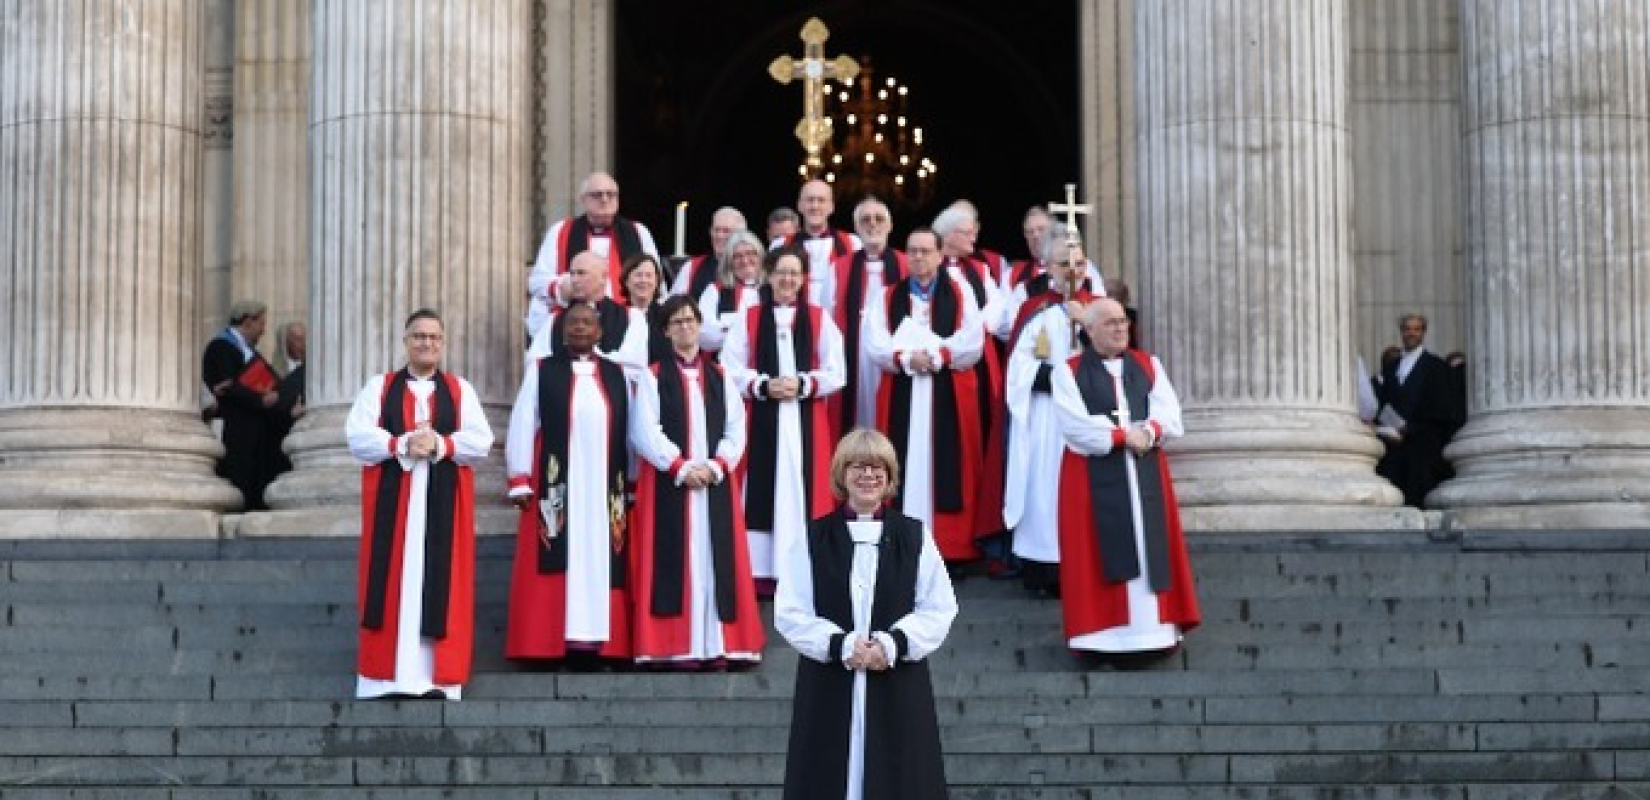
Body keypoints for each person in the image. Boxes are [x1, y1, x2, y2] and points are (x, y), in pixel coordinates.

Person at [776, 428, 956, 800]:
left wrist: (892, 645)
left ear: (889, 477)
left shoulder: (913, 537)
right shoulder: (814, 537)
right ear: (842, 474)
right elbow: (791, 610)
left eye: (878, 468)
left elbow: (938, 606)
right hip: (829, 681)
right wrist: (841, 645)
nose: (868, 475)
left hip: (897, 680)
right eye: (858, 466)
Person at [345, 308, 494, 699]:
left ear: (442, 344)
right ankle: (384, 679)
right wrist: (402, 443)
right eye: (419, 336)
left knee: (440, 583)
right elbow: (357, 436)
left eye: (434, 337)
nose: (427, 343)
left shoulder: (460, 390)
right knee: (391, 582)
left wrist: (440, 444)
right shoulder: (379, 387)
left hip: (444, 503)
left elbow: (481, 441)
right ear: (406, 341)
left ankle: (435, 679)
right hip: (393, 505)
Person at [1051, 298, 1199, 659]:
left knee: (1149, 546)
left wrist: (1148, 432)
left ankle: (1154, 634)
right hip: (1092, 476)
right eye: (1111, 323)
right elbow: (1075, 428)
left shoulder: (1148, 365)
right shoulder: (1068, 371)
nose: (1120, 328)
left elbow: (1171, 416)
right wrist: (1122, 437)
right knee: (1097, 552)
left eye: (1123, 321)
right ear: (1089, 330)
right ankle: (1101, 640)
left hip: (1145, 470)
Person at [629, 296, 764, 668]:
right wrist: (680, 467)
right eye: (677, 322)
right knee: (675, 560)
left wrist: (718, 465)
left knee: (715, 560)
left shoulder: (720, 375)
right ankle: (676, 647)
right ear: (666, 331)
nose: (685, 327)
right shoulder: (653, 376)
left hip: (714, 483)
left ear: (700, 325)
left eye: (690, 320)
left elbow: (737, 427)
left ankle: (720, 645)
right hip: (671, 484)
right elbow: (644, 430)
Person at [504, 301, 634, 666]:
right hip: (558, 484)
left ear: (599, 332)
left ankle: (599, 646)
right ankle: (549, 644)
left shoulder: (616, 374)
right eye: (573, 322)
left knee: (603, 557)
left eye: (587, 323)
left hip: (605, 486)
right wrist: (519, 477)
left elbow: (630, 430)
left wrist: (632, 481)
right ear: (562, 331)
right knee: (557, 552)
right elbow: (523, 422)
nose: (579, 328)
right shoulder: (543, 370)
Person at [721, 247, 847, 593]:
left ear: (804, 278)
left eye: (794, 273)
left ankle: (805, 570)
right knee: (760, 492)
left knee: (804, 490)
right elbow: (729, 368)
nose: (788, 279)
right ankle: (761, 571)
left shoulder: (819, 319)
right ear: (769, 275)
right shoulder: (749, 318)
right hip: (761, 417)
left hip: (806, 421)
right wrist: (762, 385)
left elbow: (837, 371)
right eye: (781, 272)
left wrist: (804, 384)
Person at [863, 228, 986, 564]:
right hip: (902, 389)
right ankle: (902, 542)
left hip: (947, 391)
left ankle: (951, 548)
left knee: (949, 467)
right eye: (913, 251)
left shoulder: (959, 292)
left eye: (925, 251)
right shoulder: (888, 296)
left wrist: (938, 357)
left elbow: (973, 341)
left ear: (939, 255)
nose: (918, 257)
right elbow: (874, 342)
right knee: (901, 462)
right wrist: (905, 358)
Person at [1003, 229, 1103, 597]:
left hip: (1087, 415)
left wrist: (1087, 325)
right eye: (1064, 264)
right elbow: (1018, 368)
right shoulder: (1035, 310)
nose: (1073, 272)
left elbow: (1115, 359)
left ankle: (1085, 570)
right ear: (1047, 267)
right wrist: (1060, 377)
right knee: (1044, 488)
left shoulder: (1100, 308)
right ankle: (1044, 571)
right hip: (1046, 418)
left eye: (1079, 264)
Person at [934, 201, 1010, 551]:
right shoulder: (931, 270)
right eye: (967, 232)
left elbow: (998, 309)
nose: (973, 238)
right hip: (944, 366)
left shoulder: (980, 270)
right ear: (949, 235)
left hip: (980, 361)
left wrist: (972, 328)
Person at [525, 171, 659, 340]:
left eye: (611, 194)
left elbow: (656, 280)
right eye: (597, 195)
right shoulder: (560, 231)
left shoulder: (638, 232)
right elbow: (538, 282)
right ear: (583, 200)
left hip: (626, 324)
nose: (605, 199)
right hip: (574, 326)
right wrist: (563, 287)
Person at [830, 196, 907, 434]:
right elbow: (827, 317)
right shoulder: (838, 268)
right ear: (856, 227)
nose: (872, 224)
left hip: (892, 352)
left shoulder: (905, 264)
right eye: (865, 219)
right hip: (853, 352)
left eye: (879, 219)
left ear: (890, 225)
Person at [1374, 313, 1464, 507]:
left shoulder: (1436, 366)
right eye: (1407, 329)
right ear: (1401, 332)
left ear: (1423, 333)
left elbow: (1442, 409)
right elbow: (1384, 404)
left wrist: (1411, 429)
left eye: (1416, 329)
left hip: (1423, 447)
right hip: (1394, 449)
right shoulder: (1391, 368)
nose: (1411, 333)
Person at [202, 299, 283, 511]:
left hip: (255, 430)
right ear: (248, 322)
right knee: (238, 479)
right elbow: (226, 386)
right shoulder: (220, 347)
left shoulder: (251, 352)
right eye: (261, 324)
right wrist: (260, 399)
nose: (263, 330)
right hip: (234, 429)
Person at [526, 250, 649, 370]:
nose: (574, 280)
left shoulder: (631, 317)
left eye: (581, 273)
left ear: (603, 277)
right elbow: (535, 364)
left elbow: (634, 366)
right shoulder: (554, 320)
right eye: (572, 274)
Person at [773, 179, 861, 318]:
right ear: (799, 205)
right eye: (810, 200)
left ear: (831, 207)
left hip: (839, 321)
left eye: (821, 200)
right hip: (795, 321)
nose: (815, 206)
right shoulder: (781, 244)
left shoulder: (853, 243)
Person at [696, 230, 767, 353]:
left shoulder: (773, 289)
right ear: (729, 262)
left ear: (761, 257)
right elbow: (704, 335)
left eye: (751, 254)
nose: (745, 261)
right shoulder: (715, 291)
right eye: (737, 256)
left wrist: (728, 329)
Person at [671, 206, 747, 303]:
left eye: (726, 231)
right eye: (716, 230)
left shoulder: (752, 267)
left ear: (742, 234)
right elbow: (673, 305)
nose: (719, 236)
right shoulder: (692, 267)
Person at [619, 252, 671, 365]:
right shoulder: (613, 316)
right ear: (626, 281)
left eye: (648, 275)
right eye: (638, 275)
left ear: (657, 282)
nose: (643, 280)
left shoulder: (668, 317)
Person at [270, 321, 309, 472]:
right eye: (297, 339)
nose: (303, 343)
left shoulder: (308, 371)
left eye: (304, 338)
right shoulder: (275, 372)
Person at [1006, 205, 1052, 289]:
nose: (1035, 235)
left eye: (1041, 229)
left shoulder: (1075, 268)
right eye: (1030, 232)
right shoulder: (1012, 275)